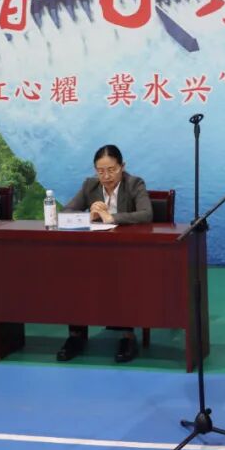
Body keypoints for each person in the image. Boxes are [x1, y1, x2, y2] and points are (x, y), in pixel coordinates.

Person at [55, 144, 152, 364]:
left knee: (124, 277)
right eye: (101, 171)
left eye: (111, 170)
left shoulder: (134, 183)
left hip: (127, 253)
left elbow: (146, 214)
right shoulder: (90, 186)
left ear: (122, 166)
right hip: (94, 254)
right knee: (74, 276)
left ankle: (127, 336)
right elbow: (66, 212)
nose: (106, 176)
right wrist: (88, 216)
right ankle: (76, 335)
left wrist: (112, 218)